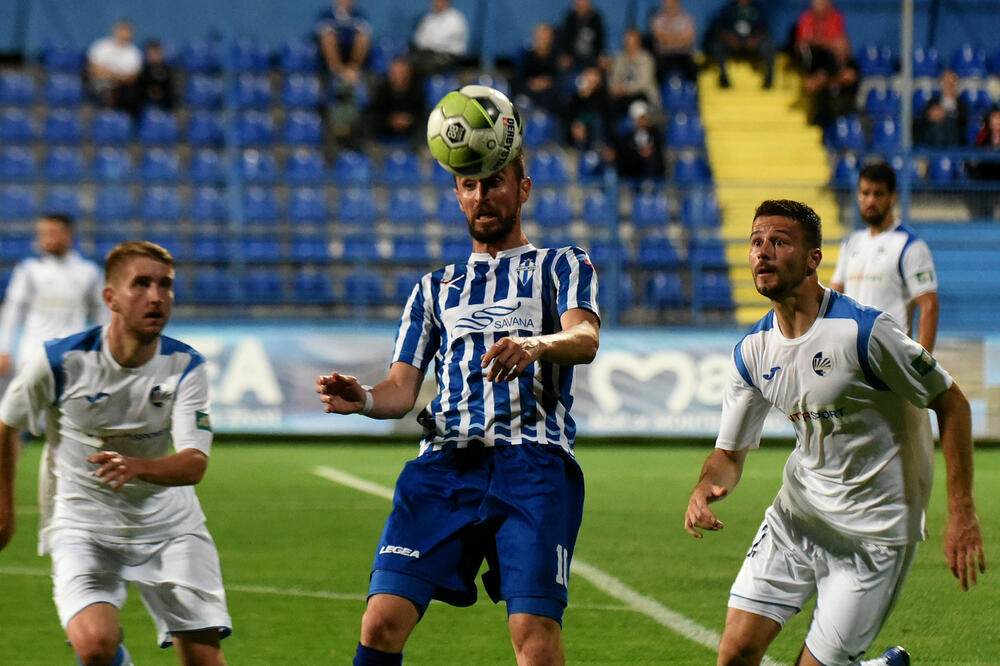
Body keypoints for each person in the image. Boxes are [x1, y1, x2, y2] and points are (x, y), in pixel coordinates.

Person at [317, 143, 601, 665]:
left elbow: (584, 337)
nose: (481, 196)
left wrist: (535, 344)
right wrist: (364, 400)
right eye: (469, 186)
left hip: (534, 464)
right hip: (445, 465)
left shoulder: (562, 264)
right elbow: (400, 392)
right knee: (380, 621)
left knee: (533, 635)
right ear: (457, 196)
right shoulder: (432, 289)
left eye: (494, 183)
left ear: (524, 189)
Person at [684, 198, 985, 666]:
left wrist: (962, 512)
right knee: (735, 654)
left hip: (875, 536)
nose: (762, 252)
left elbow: (952, 402)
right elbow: (729, 453)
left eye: (779, 242)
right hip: (796, 519)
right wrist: (705, 486)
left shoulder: (865, 332)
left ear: (813, 259)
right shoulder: (752, 353)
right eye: (756, 242)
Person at [0, 241, 231, 666]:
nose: (156, 296)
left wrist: (137, 467)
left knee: (204, 661)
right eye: (141, 284)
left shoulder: (186, 365)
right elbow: (7, 422)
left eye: (166, 285)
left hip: (170, 526)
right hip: (82, 523)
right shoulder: (60, 360)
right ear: (110, 298)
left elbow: (195, 464)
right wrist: (4, 507)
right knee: (95, 646)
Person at [830, 161, 938, 353]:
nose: (870, 201)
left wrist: (923, 364)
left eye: (878, 194)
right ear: (858, 195)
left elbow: (929, 305)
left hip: (891, 359)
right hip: (851, 358)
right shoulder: (851, 243)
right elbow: (834, 297)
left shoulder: (909, 245)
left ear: (893, 196)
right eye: (865, 193)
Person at [0, 213, 105, 378]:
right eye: (42, 234)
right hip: (32, 354)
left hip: (72, 357)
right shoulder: (29, 270)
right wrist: (4, 349)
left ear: (69, 236)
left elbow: (102, 314)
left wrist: (104, 349)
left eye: (52, 233)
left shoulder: (89, 272)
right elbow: (12, 311)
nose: (46, 239)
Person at [793, 0, 858, 127]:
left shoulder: (836, 18)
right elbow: (802, 44)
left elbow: (850, 76)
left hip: (841, 100)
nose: (818, 6)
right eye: (816, 3)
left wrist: (822, 79)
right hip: (816, 64)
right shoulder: (806, 18)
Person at [705, 0, 775, 89]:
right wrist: (731, 40)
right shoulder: (728, 9)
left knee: (768, 45)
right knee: (717, 46)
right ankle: (723, 77)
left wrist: (754, 40)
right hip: (732, 44)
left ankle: (769, 79)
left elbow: (764, 29)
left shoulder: (758, 8)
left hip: (752, 43)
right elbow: (719, 28)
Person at [366, 56, 426, 146]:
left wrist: (409, 120)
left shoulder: (417, 89)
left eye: (403, 72)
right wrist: (390, 120)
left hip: (412, 134)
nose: (400, 76)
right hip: (384, 132)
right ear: (390, 74)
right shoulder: (382, 89)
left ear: (409, 73)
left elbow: (421, 112)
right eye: (396, 73)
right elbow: (375, 112)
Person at [86, 19, 143, 113]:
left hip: (122, 87)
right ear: (115, 31)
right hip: (99, 83)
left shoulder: (134, 53)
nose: (123, 34)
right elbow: (94, 69)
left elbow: (132, 77)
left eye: (126, 32)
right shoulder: (101, 46)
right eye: (121, 31)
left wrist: (109, 73)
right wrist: (118, 75)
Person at [608, 27, 662, 121]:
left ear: (638, 43)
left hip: (643, 95)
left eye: (632, 42)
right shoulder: (619, 58)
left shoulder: (646, 58)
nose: (629, 45)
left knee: (637, 106)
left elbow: (643, 83)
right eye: (627, 42)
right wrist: (615, 88)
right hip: (624, 96)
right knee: (609, 105)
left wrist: (625, 89)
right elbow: (614, 77)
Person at [315, 0, 372, 86]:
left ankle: (353, 69)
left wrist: (353, 66)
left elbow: (364, 38)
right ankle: (338, 72)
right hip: (330, 60)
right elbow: (324, 40)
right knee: (329, 38)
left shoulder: (360, 15)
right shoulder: (326, 15)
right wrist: (339, 69)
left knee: (362, 38)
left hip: (351, 53)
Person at [410, 0, 469, 78]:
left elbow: (440, 41)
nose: (436, 3)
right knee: (406, 65)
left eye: (440, 1)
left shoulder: (455, 19)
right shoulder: (429, 18)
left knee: (424, 67)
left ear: (447, 2)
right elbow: (418, 39)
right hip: (426, 54)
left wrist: (428, 42)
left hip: (448, 56)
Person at [514, 22, 563, 116]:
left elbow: (559, 79)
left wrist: (547, 83)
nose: (543, 40)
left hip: (549, 96)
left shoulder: (557, 58)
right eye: (540, 37)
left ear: (551, 39)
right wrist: (532, 83)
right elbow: (520, 78)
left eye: (545, 37)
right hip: (529, 92)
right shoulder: (527, 56)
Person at [613, 99, 666, 184]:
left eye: (645, 117)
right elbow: (625, 162)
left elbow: (660, 157)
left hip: (655, 178)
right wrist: (639, 154)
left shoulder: (656, 134)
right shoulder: (627, 139)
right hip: (635, 180)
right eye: (641, 118)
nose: (644, 121)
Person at [913, 69, 968, 147]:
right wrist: (931, 115)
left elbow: (963, 123)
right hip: (934, 138)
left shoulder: (961, 104)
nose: (948, 86)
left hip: (953, 138)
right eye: (946, 83)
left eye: (951, 83)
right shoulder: (933, 101)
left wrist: (946, 114)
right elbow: (923, 118)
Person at [648, 0, 698, 83]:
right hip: (664, 55)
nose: (669, 5)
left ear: (677, 3)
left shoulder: (686, 18)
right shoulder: (658, 18)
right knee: (657, 70)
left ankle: (691, 92)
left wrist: (669, 39)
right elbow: (659, 37)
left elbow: (689, 39)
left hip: (683, 54)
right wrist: (679, 38)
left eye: (671, 2)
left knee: (693, 69)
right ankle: (659, 95)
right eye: (667, 2)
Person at [556, 0, 607, 74]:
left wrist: (601, 56)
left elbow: (601, 43)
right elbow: (563, 40)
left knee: (603, 63)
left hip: (592, 58)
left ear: (590, 5)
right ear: (575, 6)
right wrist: (564, 55)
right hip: (572, 57)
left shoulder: (597, 19)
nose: (582, 8)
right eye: (580, 6)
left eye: (584, 5)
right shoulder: (569, 18)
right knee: (562, 63)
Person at [137, 40, 177, 112]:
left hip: (164, 98)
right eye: (151, 53)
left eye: (156, 53)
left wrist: (160, 92)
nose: (154, 56)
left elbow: (171, 86)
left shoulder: (168, 70)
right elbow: (140, 85)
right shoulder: (142, 70)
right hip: (145, 97)